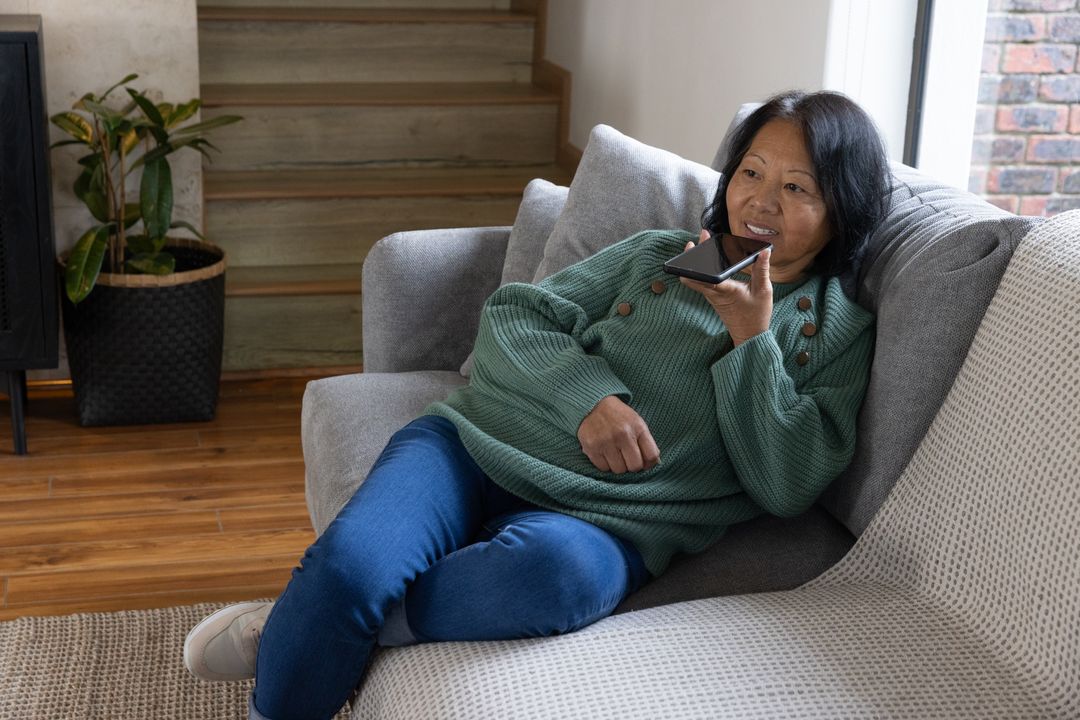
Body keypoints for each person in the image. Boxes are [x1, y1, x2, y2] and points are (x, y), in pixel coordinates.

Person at [183, 89, 891, 720]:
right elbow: (513, 317)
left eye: (798, 187)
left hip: (613, 523)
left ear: (842, 209)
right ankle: (323, 618)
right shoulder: (657, 255)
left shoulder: (837, 332)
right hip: (475, 449)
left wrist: (750, 342)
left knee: (556, 582)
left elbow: (789, 484)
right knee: (348, 569)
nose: (762, 202)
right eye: (751, 173)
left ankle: (302, 627)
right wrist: (590, 400)